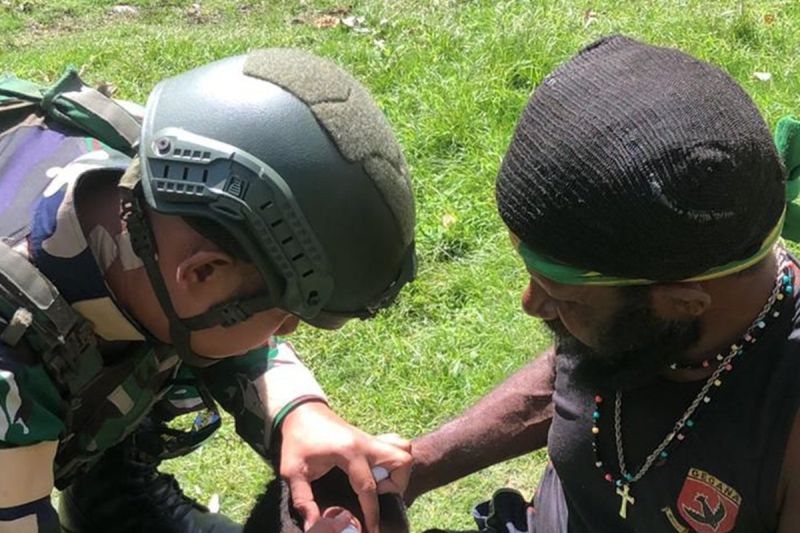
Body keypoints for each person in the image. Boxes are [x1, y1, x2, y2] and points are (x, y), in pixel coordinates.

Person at [0, 48, 416, 533]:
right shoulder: (10, 368)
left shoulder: (164, 165)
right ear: (201, 273)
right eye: (284, 313)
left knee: (177, 323)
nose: (288, 330)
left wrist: (297, 411)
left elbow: (214, 318)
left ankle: (111, 495)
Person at [405, 35, 800, 532]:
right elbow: (572, 378)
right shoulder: (638, 326)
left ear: (681, 303)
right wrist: (417, 467)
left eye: (562, 297)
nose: (531, 304)